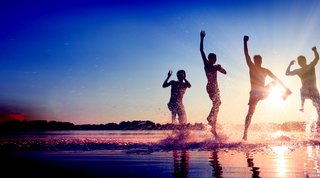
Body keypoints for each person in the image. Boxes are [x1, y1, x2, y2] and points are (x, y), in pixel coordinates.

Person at [242, 35, 292, 141]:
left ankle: (284, 94)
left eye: (259, 61)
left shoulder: (265, 70)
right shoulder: (251, 66)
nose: (257, 62)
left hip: (263, 92)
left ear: (261, 61)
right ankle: (245, 134)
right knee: (250, 113)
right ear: (254, 61)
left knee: (274, 82)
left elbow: (276, 79)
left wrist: (285, 88)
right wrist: (245, 42)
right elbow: (246, 55)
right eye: (256, 60)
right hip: (254, 94)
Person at [285, 46, 320, 131]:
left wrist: (315, 51)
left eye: (301, 61)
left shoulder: (311, 66)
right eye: (299, 62)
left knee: (319, 109)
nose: (300, 63)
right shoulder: (299, 71)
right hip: (306, 91)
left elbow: (317, 58)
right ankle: (302, 106)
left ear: (305, 61)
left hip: (314, 91)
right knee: (302, 89)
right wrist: (290, 64)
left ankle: (318, 126)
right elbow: (287, 73)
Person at [200, 30, 227, 139]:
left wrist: (220, 68)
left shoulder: (216, 66)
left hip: (216, 87)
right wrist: (202, 38)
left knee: (218, 104)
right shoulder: (206, 64)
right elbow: (201, 50)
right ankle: (210, 118)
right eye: (212, 58)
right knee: (216, 104)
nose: (214, 60)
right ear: (209, 58)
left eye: (215, 59)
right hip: (210, 87)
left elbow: (225, 72)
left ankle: (213, 127)